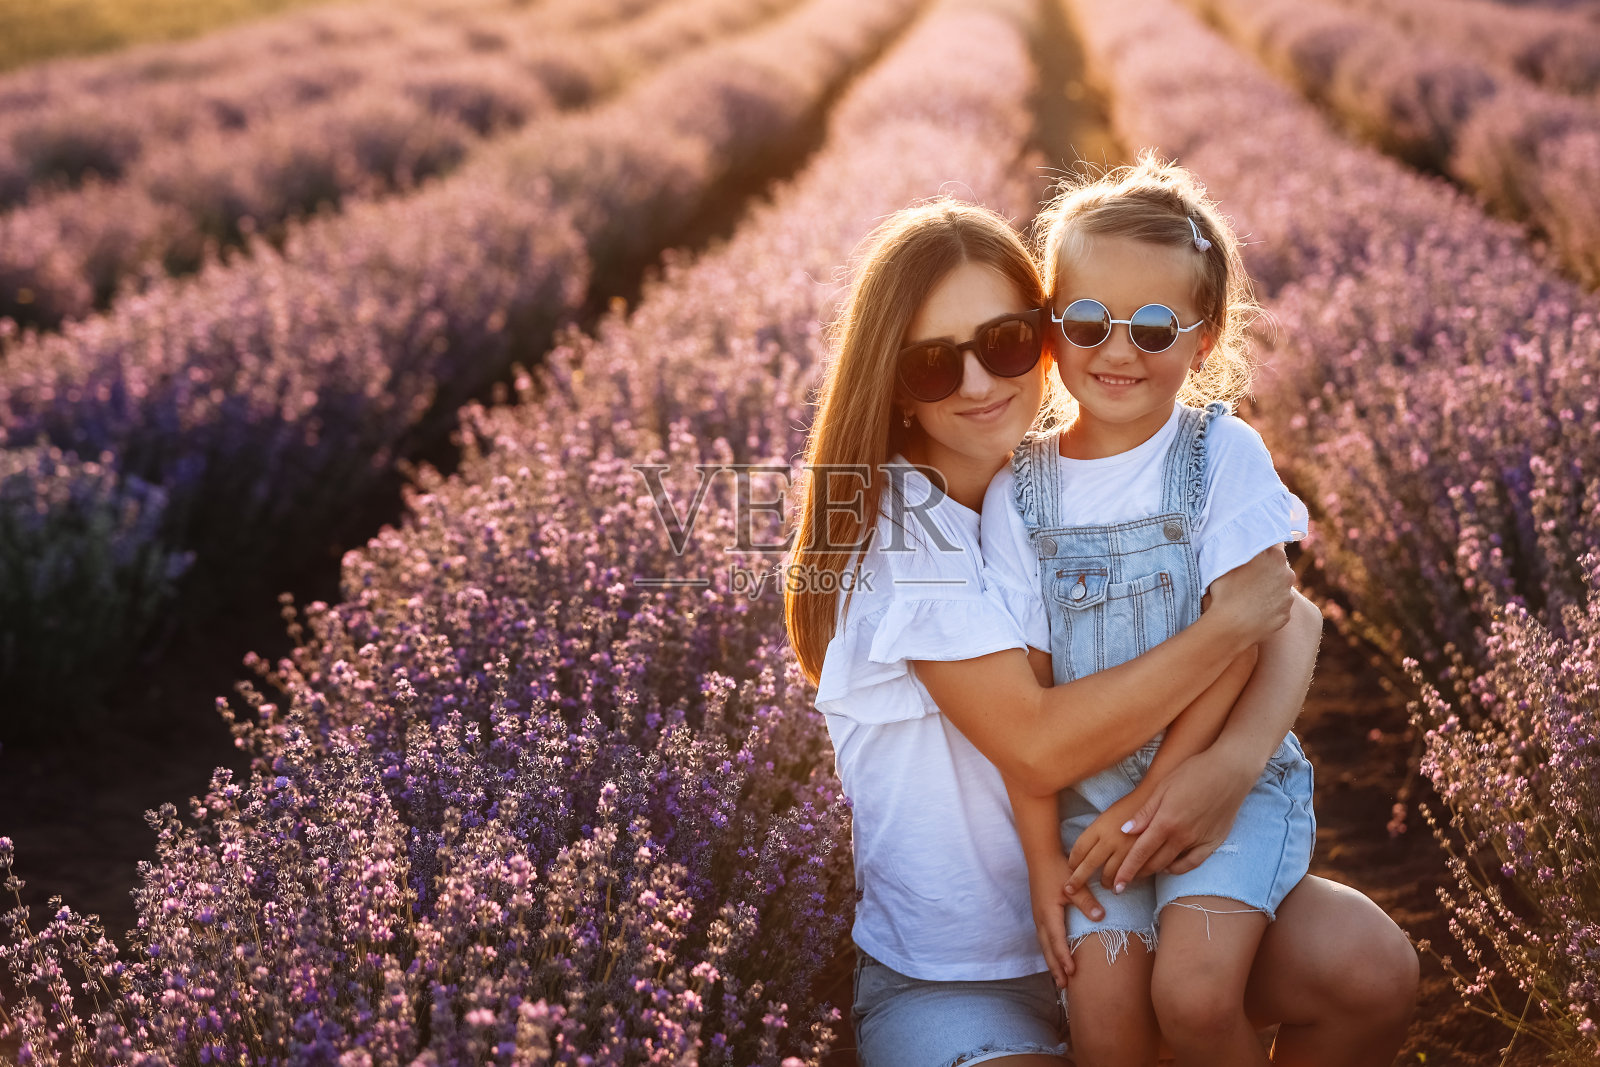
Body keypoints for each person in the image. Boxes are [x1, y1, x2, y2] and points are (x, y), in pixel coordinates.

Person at [783, 194, 1418, 1067]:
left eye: (1004, 342)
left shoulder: (1051, 481)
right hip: (974, 978)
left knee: (1370, 968)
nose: (979, 383)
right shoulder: (906, 529)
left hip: (1132, 887)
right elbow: (1039, 747)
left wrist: (1228, 766)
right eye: (933, 364)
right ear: (890, 381)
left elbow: (1288, 613)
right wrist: (1227, 627)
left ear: (1043, 333)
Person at [980, 157, 1313, 1067]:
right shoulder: (1020, 494)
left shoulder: (1222, 454)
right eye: (1088, 321)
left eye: (1155, 328)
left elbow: (1241, 641)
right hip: (1092, 812)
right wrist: (1047, 855)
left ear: (1205, 341)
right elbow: (1025, 697)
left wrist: (1159, 791)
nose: (1118, 351)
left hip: (1221, 788)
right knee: (1106, 1029)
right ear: (1050, 327)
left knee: (1195, 997)